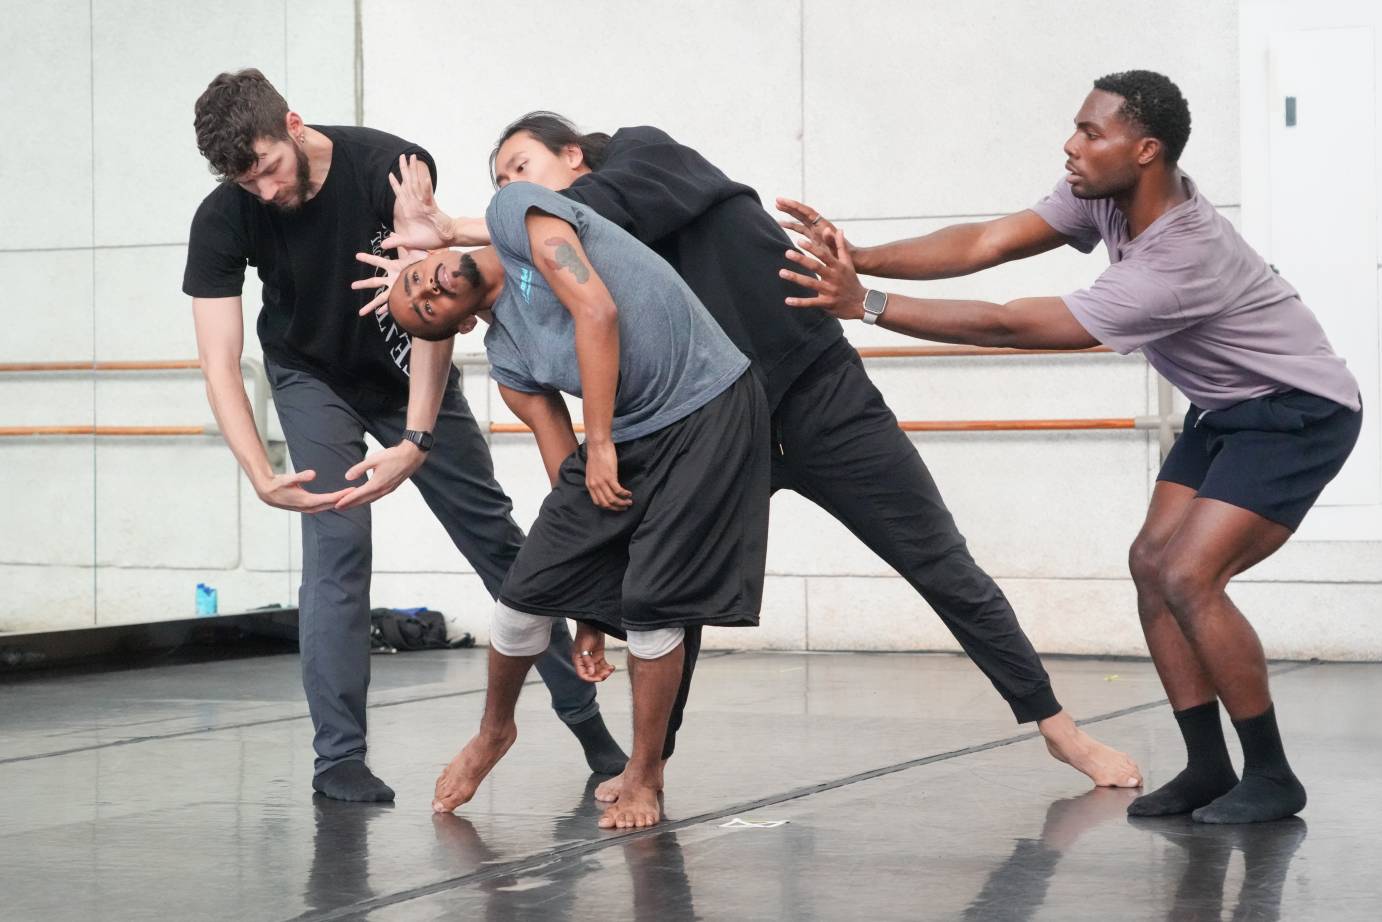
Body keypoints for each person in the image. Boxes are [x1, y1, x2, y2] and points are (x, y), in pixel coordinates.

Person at [375, 113, 1142, 803]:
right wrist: (437, 285)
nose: (511, 188)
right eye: (501, 183)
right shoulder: (557, 266)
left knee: (937, 559)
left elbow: (593, 210)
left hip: (817, 394)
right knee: (666, 598)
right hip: (704, 422)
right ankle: (649, 767)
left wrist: (461, 226)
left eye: (519, 167)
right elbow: (505, 333)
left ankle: (1058, 727)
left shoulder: (645, 156)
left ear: (572, 154)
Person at [780, 70, 1361, 824]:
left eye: (1092, 132)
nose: (1071, 145)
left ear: (1145, 150)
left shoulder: (1182, 255)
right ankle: (1209, 767)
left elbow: (1010, 325)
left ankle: (1273, 774)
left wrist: (869, 304)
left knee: (1189, 575)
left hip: (1298, 409)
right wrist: (862, 255)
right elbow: (986, 242)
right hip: (1226, 406)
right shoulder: (1108, 197)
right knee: (1151, 564)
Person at [181, 69, 623, 804]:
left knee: (496, 541)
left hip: (405, 370)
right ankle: (339, 760)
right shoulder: (226, 215)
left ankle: (589, 727)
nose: (264, 190)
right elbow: (219, 358)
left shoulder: (388, 167)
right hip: (311, 375)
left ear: (293, 124)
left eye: (268, 168)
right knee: (336, 545)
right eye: (244, 181)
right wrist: (258, 471)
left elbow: (434, 306)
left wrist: (417, 435)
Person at [373, 179, 769, 828]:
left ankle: (646, 774)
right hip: (629, 433)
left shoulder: (513, 214)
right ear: (460, 325)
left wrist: (602, 440)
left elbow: (597, 311)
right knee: (526, 593)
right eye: (425, 309)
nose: (426, 291)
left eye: (417, 280)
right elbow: (567, 472)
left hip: (709, 406)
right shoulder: (510, 362)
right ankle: (494, 731)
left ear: (431, 258)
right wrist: (586, 601)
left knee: (655, 602)